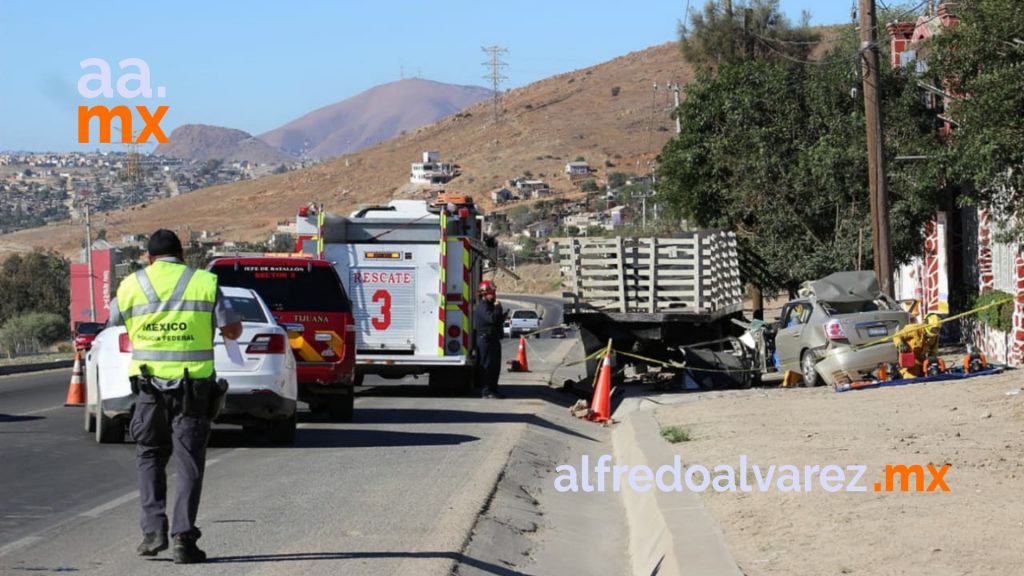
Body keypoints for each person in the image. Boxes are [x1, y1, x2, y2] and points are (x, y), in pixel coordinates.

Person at [111, 229, 242, 564]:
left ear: (149, 258)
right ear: (182, 255)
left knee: (150, 455)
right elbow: (231, 328)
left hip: (149, 390)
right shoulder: (205, 282)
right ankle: (184, 538)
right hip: (193, 392)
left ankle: (153, 532)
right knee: (188, 463)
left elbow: (113, 320)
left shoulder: (131, 285)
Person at [474, 279, 508, 399]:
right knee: (487, 366)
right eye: (491, 293)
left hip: (492, 339)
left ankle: (493, 390)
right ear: (484, 293)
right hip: (486, 341)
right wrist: (498, 308)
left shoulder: (489, 306)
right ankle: (486, 391)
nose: (493, 296)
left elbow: (495, 320)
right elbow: (492, 319)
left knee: (494, 367)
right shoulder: (483, 306)